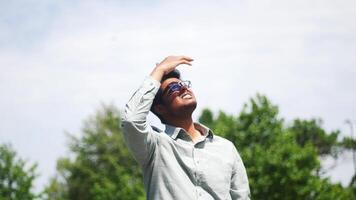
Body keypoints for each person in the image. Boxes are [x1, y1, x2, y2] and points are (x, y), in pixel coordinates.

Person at [122, 56, 250, 200]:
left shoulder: (226, 148)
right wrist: (159, 70)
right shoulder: (155, 147)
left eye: (184, 84)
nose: (183, 88)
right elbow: (132, 120)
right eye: (174, 88)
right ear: (160, 108)